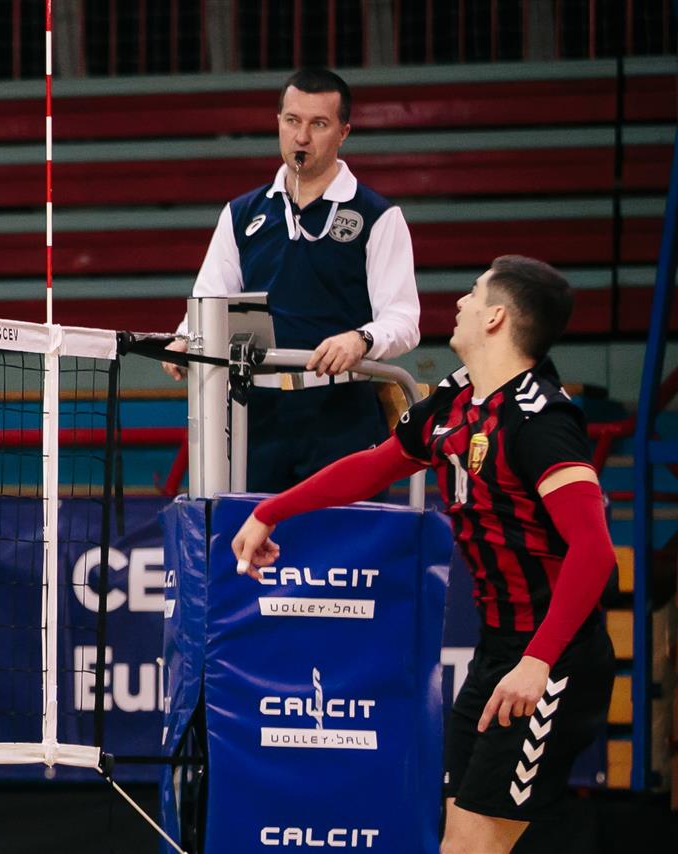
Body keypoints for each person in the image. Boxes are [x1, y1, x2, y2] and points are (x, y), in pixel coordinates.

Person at [231, 256, 616, 854]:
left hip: (551, 661)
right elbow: (374, 466)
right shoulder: (456, 399)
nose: (460, 302)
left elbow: (594, 552)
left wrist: (538, 662)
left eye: (473, 293)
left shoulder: (541, 419)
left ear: (496, 317)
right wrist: (270, 511)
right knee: (457, 843)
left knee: (472, 848)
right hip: (498, 654)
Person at [164, 67, 420, 492]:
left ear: (343, 133)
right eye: (292, 121)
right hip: (254, 417)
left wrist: (360, 339)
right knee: (248, 533)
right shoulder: (241, 214)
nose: (302, 137)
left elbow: (404, 319)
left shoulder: (379, 216)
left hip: (341, 416)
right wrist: (186, 338)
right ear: (278, 123)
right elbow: (209, 300)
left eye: (318, 124)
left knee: (340, 533)